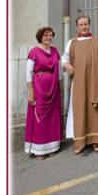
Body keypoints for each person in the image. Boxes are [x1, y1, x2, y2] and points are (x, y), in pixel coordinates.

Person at [62, 16, 98, 154]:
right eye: (81, 25)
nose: (84, 27)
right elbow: (64, 58)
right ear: (77, 27)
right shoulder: (72, 43)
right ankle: (80, 142)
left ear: (89, 25)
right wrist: (67, 65)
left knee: (95, 111)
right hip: (79, 82)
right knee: (79, 110)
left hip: (95, 81)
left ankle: (97, 140)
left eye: (86, 24)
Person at [24, 27, 63, 159]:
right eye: (46, 36)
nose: (48, 38)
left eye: (50, 35)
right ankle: (40, 150)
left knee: (53, 117)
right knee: (40, 116)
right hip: (39, 87)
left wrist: (60, 85)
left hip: (53, 87)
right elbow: (28, 73)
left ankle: (52, 146)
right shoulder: (34, 52)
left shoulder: (55, 51)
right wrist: (31, 91)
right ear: (40, 37)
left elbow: (59, 70)